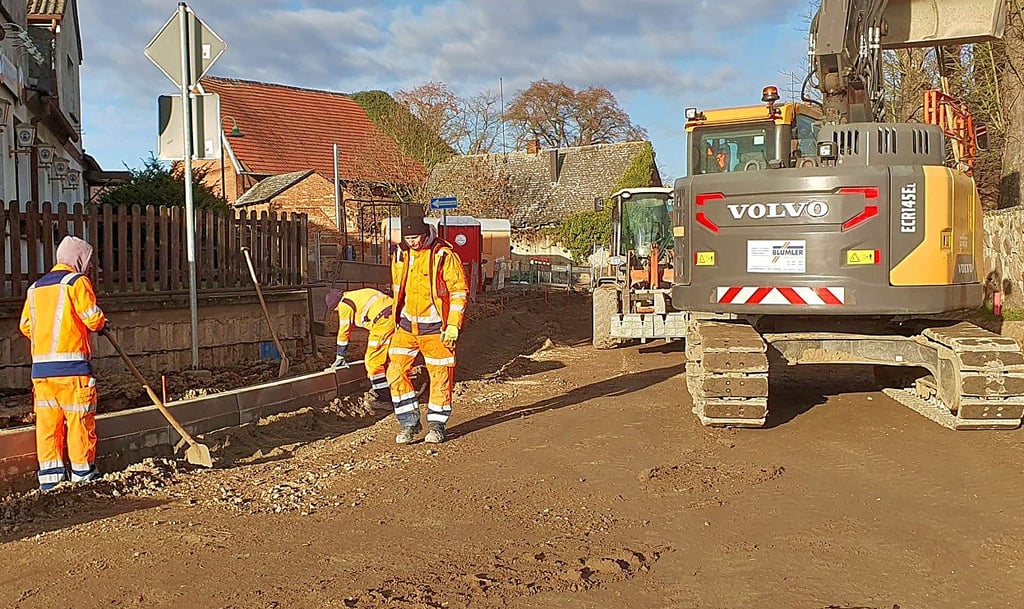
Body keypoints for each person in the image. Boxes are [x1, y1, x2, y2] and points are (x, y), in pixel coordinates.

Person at [19, 236, 107, 490]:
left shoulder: (35, 288)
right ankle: (83, 477)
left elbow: (26, 325)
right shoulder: (76, 282)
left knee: (48, 425)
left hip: (42, 373)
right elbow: (91, 318)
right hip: (72, 370)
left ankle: (50, 482)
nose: (88, 267)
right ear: (78, 259)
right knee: (79, 422)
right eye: (87, 261)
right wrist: (102, 323)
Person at [386, 215, 468, 445]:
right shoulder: (400, 255)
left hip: (435, 329)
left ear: (425, 233)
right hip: (406, 327)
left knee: (440, 376)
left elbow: (459, 291)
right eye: (408, 238)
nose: (412, 242)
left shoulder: (443, 255)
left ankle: (437, 425)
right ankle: (409, 423)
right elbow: (397, 289)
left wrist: (453, 324)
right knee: (395, 373)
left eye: (415, 237)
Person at [325, 287, 395, 407]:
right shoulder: (355, 294)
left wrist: (340, 356)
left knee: (373, 361)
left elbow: (344, 331)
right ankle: (397, 391)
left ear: (335, 306)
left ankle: (384, 399)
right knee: (390, 357)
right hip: (395, 315)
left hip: (384, 321)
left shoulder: (344, 304)